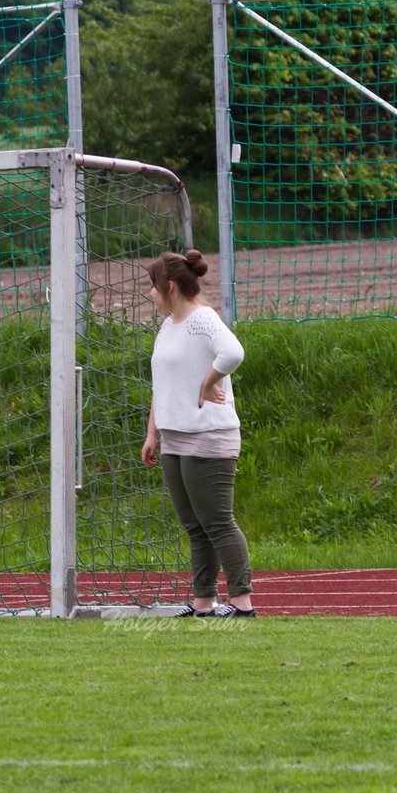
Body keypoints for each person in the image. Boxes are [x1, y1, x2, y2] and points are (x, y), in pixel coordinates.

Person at [140, 249, 255, 618]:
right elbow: (164, 382)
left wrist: (208, 384)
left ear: (170, 286)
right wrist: (152, 433)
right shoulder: (168, 325)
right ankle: (204, 602)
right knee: (194, 525)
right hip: (174, 438)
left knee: (217, 521)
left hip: (208, 437)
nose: (150, 294)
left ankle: (241, 602)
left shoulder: (204, 319)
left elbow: (233, 352)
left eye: (152, 287)